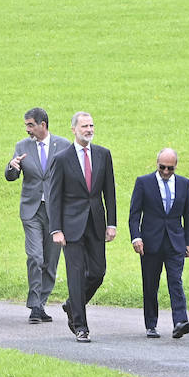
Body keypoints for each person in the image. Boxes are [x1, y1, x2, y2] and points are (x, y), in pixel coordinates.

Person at [46, 111, 116, 343]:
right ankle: (81, 326)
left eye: (91, 125)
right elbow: (54, 196)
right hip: (71, 226)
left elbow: (109, 192)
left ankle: (72, 305)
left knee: (98, 272)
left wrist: (111, 224)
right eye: (84, 126)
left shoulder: (103, 154)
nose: (89, 130)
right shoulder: (62, 158)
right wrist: (56, 229)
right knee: (75, 275)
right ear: (74, 129)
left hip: (96, 222)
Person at [4, 107, 72, 323]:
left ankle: (41, 303)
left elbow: (72, 176)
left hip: (55, 212)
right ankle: (34, 305)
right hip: (31, 210)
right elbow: (11, 176)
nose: (27, 130)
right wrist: (12, 167)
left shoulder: (63, 145)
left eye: (30, 125)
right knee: (35, 256)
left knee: (51, 261)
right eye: (26, 125)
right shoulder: (22, 146)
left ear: (43, 125)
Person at [128, 148, 189, 339]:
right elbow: (134, 215)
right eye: (162, 167)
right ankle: (151, 324)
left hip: (175, 241)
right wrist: (136, 237)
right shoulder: (144, 182)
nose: (166, 172)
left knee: (175, 281)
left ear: (176, 166)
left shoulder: (184, 184)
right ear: (156, 164)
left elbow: (188, 216)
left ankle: (180, 321)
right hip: (150, 242)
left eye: (170, 168)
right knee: (151, 284)